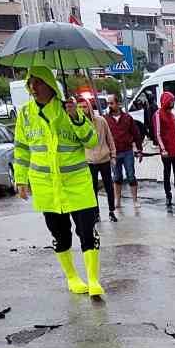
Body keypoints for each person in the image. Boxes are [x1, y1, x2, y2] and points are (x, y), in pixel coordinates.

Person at [13, 66, 107, 299]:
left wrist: (76, 117)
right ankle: (72, 277)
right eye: (30, 83)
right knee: (60, 235)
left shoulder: (69, 109)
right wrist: (21, 179)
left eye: (38, 82)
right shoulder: (25, 114)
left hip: (77, 184)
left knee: (87, 232)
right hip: (46, 186)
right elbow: (22, 149)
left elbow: (91, 140)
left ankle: (93, 279)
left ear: (50, 84)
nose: (33, 87)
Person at [83, 98, 118, 222]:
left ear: (89, 107)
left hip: (104, 159)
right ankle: (96, 213)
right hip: (89, 162)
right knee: (92, 189)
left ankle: (111, 211)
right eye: (80, 107)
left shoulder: (101, 121)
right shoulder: (79, 124)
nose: (83, 109)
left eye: (85, 106)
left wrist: (113, 156)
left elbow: (110, 138)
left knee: (109, 186)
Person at [104, 96, 141, 204]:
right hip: (114, 153)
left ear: (118, 104)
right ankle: (118, 201)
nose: (109, 106)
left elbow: (136, 134)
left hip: (127, 152)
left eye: (111, 103)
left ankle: (135, 200)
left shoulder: (127, 118)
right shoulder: (106, 119)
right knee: (117, 177)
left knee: (131, 176)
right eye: (108, 104)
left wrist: (139, 150)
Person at [154, 92, 175, 205]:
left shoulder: (172, 114)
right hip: (167, 150)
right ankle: (168, 196)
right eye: (171, 101)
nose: (173, 103)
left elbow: (174, 130)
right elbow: (158, 134)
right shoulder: (158, 114)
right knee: (167, 173)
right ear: (166, 101)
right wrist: (163, 149)